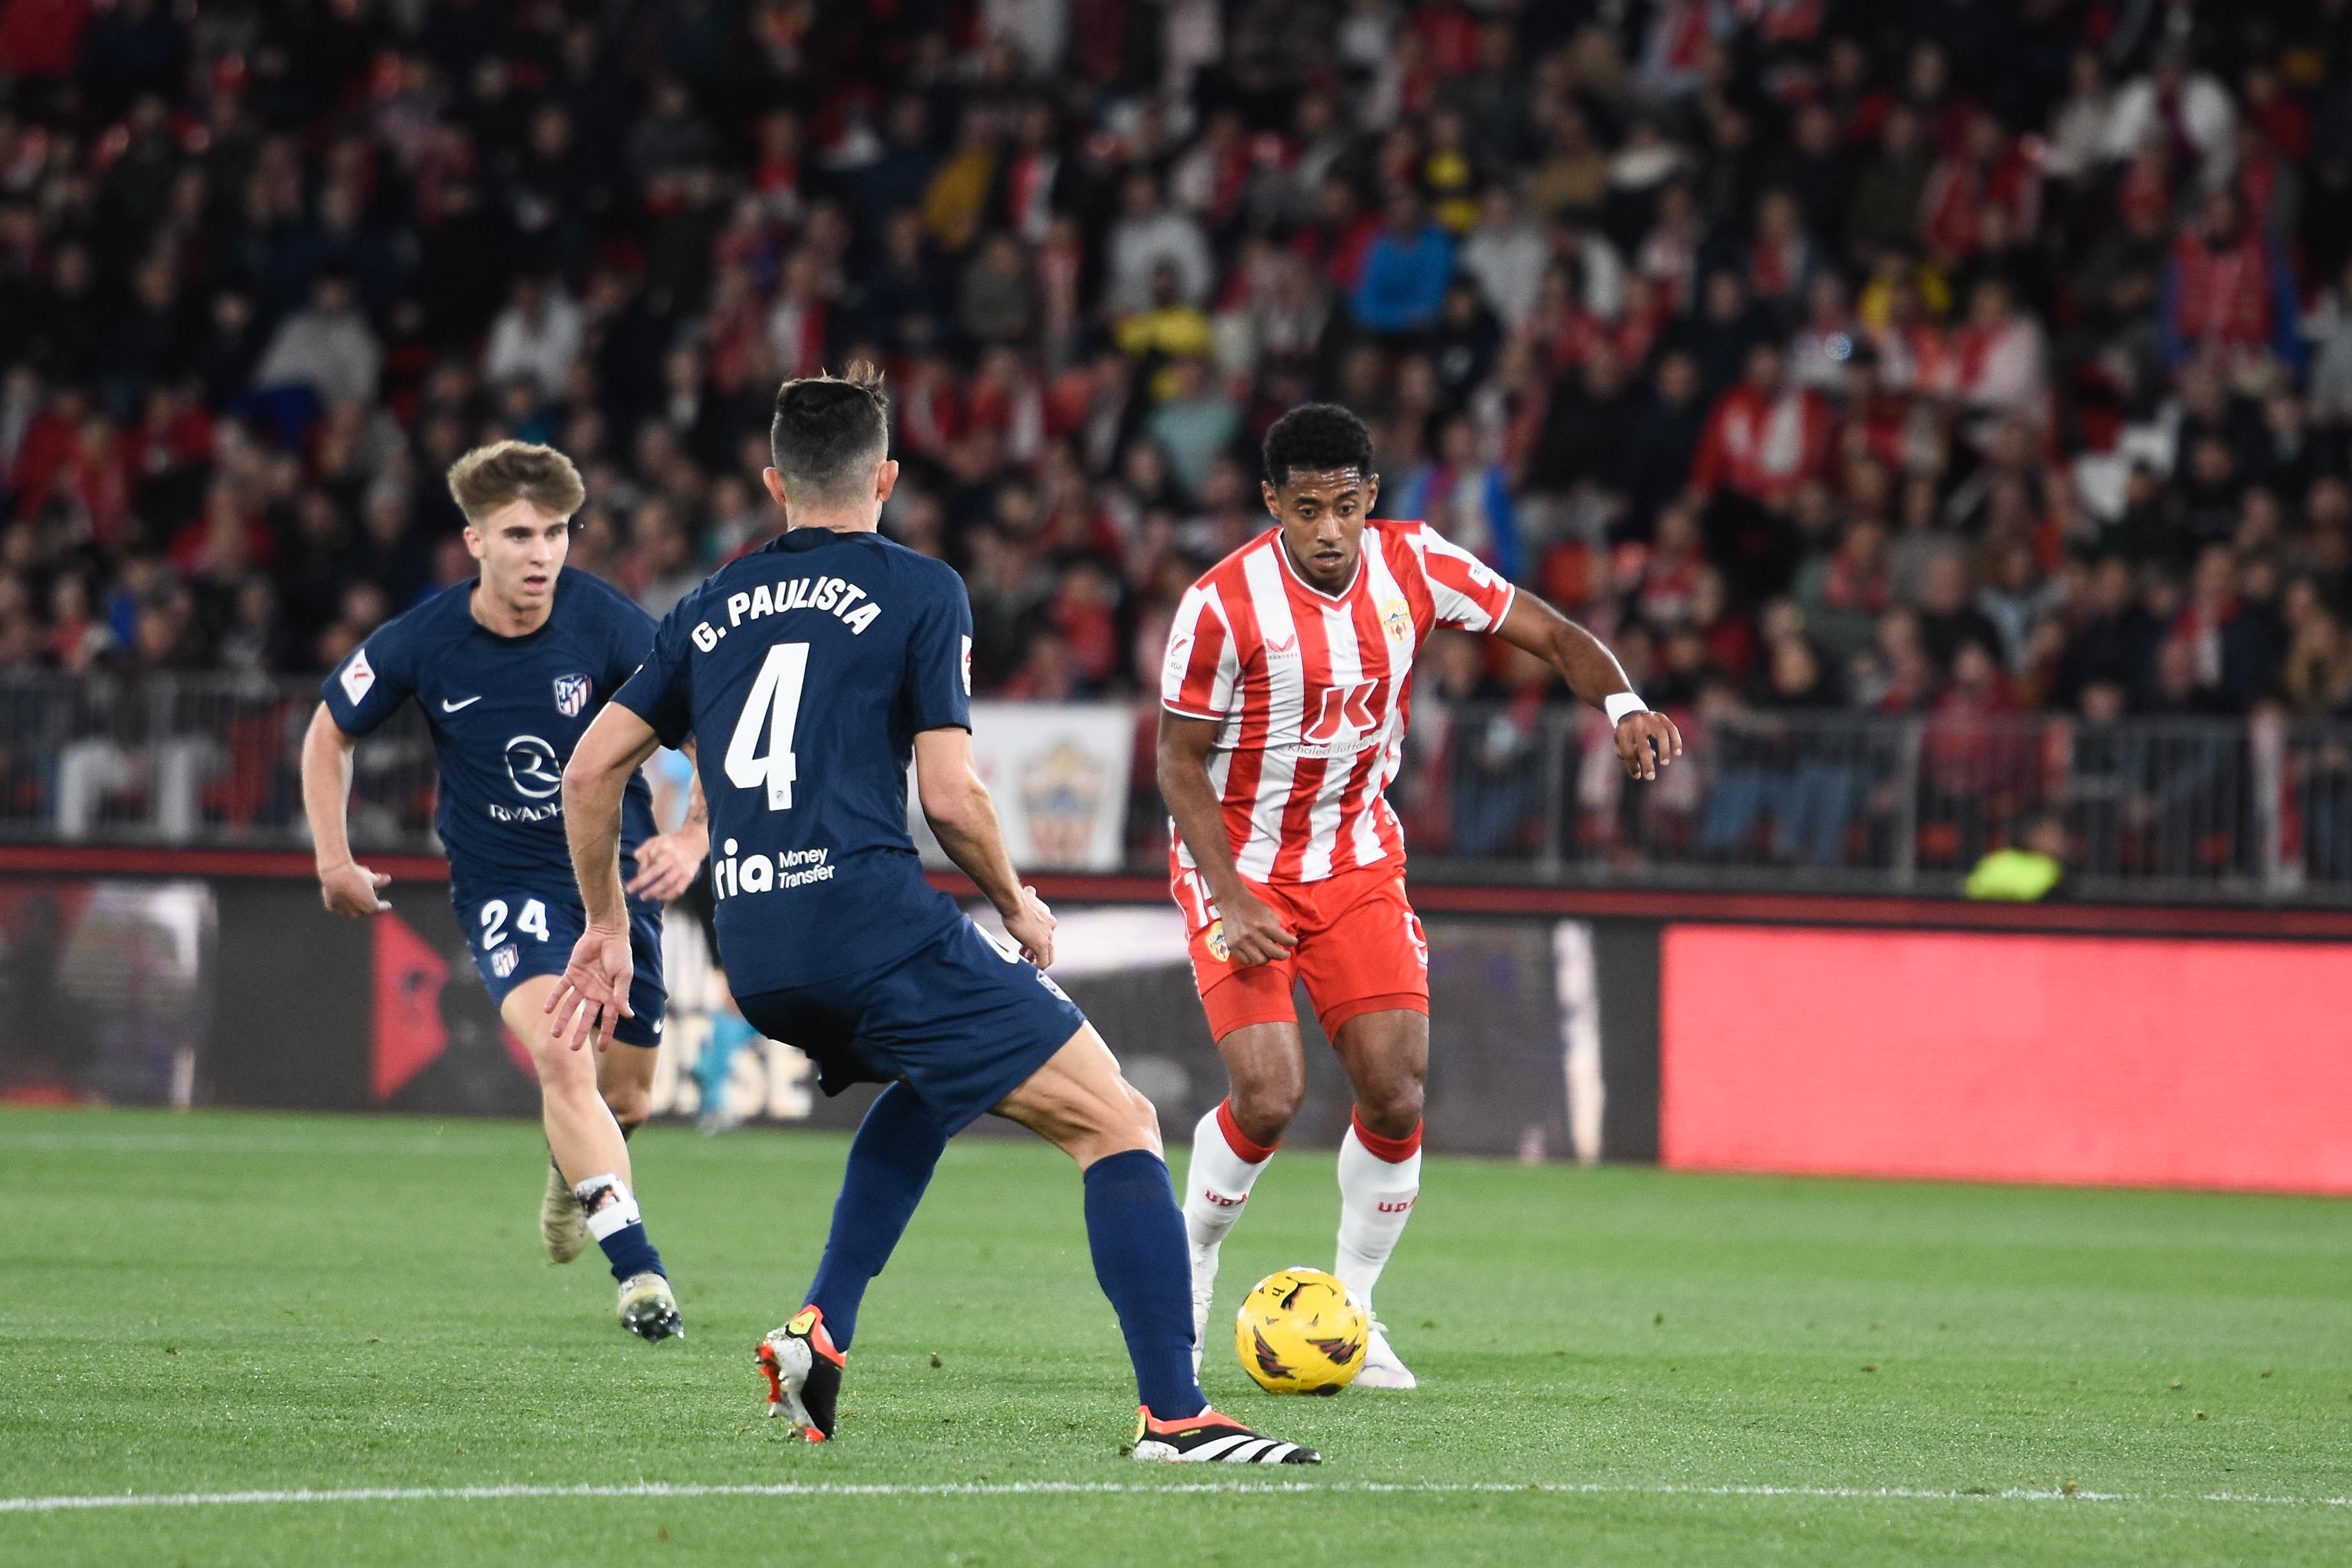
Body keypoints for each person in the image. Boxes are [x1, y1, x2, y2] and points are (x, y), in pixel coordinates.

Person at [549, 365, 1315, 1464]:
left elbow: (588, 775)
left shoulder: (708, 604)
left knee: (934, 1077)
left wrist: (608, 921)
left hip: (755, 946)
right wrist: (1020, 902)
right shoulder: (922, 588)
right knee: (1122, 1122)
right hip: (871, 922)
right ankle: (1175, 1414)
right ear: (890, 477)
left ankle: (822, 1326)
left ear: (774, 481)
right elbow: (950, 795)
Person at [1155, 404, 1681, 1388]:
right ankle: (1187, 1267)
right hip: (1244, 865)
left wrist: (1624, 703)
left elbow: (1557, 633)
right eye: (1306, 508)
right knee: (1268, 1095)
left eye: (1345, 507)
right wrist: (1227, 893)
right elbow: (1178, 763)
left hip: (1357, 861)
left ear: (1371, 502)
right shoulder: (1220, 606)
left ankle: (1354, 1312)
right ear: (1271, 503)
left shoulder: (1417, 564)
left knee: (1396, 1091)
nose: (1327, 530)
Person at [299, 441, 707, 1343]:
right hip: (507, 883)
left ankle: (574, 1177)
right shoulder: (425, 639)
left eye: (557, 532)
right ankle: (640, 1273)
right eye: (519, 533)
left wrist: (692, 831)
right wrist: (334, 858)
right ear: (475, 540)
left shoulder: (608, 625)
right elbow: (331, 730)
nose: (541, 553)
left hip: (614, 878)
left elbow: (704, 721)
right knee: (565, 1059)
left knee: (629, 1097)